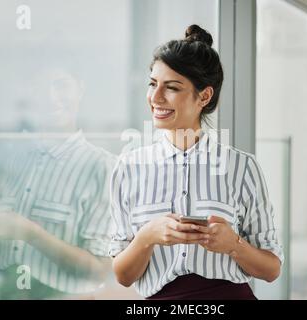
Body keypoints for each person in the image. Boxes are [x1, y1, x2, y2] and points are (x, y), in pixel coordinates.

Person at [109, 25, 284, 300]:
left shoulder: (242, 168)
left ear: (204, 96)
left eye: (172, 88)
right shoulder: (128, 168)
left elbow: (272, 269)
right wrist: (147, 237)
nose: (155, 98)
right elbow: (123, 275)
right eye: (153, 83)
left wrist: (233, 244)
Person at [0, 67, 116, 299]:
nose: (50, 97)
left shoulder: (102, 167)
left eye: (60, 84)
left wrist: (30, 233)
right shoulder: (16, 160)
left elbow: (98, 273)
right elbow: (7, 258)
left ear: (80, 89)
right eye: (40, 87)